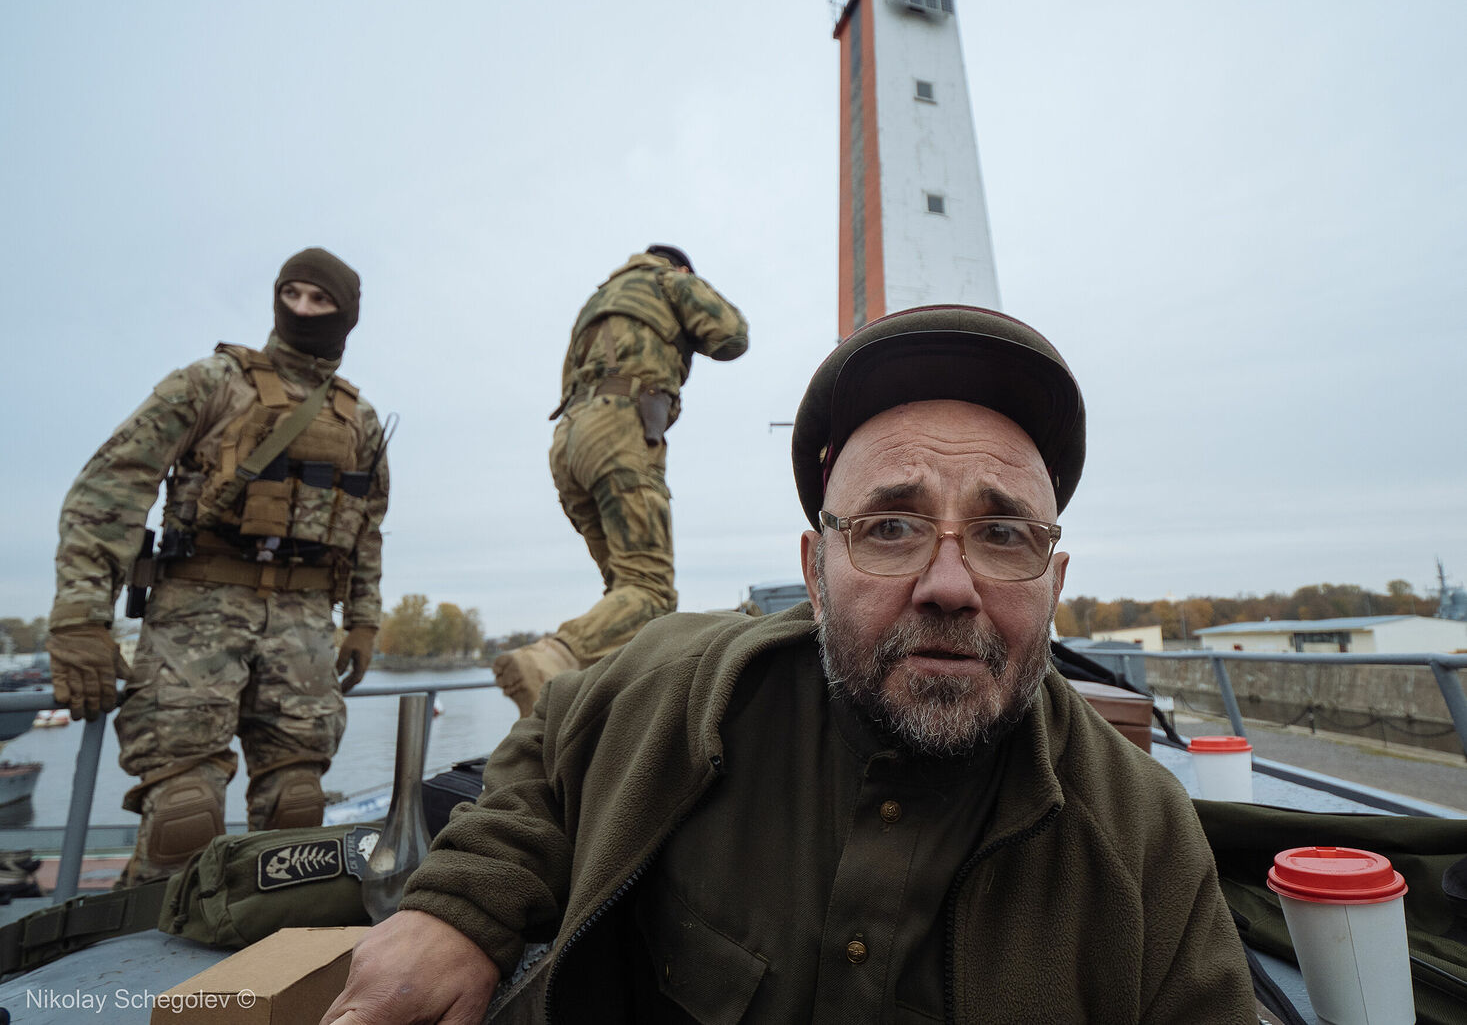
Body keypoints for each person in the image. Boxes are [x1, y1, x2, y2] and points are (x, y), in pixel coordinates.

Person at [324, 305, 1255, 1024]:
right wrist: (459, 909)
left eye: (1002, 534)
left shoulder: (1143, 841)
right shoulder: (685, 688)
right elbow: (549, 747)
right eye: (889, 527)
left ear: (1053, 580)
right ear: (814, 572)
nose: (947, 585)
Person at [45, 247, 390, 886]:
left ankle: (268, 939)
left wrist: (364, 620)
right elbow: (109, 490)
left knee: (297, 810)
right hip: (196, 615)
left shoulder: (359, 419)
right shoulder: (211, 382)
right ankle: (149, 948)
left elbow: (366, 529)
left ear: (347, 315)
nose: (303, 309)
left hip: (305, 628)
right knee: (184, 812)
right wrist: (80, 618)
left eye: (320, 300)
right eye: (291, 294)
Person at [492, 245, 748, 717]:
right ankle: (550, 664)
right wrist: (688, 287)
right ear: (680, 267)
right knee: (650, 590)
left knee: (625, 596)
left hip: (569, 440)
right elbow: (731, 336)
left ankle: (604, 716)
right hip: (617, 430)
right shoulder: (670, 281)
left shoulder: (597, 302)